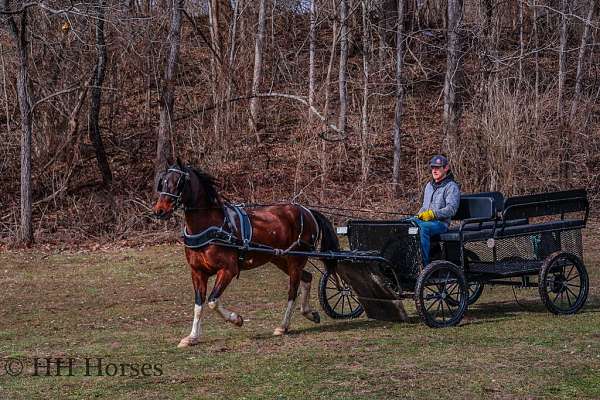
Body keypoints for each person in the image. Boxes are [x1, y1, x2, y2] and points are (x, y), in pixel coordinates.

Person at [412, 155, 460, 266]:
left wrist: (433, 214)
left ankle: (423, 264)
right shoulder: (429, 186)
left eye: (438, 167)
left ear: (446, 168)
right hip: (426, 221)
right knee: (405, 223)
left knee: (422, 228)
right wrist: (418, 216)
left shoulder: (451, 187)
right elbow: (424, 207)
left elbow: (451, 209)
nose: (434, 170)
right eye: (433, 167)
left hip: (441, 224)